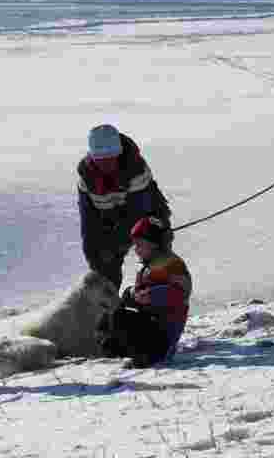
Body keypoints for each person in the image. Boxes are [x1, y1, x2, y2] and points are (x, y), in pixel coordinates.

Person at [76, 124, 171, 289]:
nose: (106, 164)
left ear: (119, 154)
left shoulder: (136, 169)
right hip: (110, 221)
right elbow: (89, 221)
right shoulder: (86, 179)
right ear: (93, 158)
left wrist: (117, 242)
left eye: (110, 158)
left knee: (157, 263)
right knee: (104, 269)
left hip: (149, 217)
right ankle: (109, 310)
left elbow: (138, 214)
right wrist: (94, 256)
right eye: (101, 160)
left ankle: (158, 301)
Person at [99, 215, 192, 369]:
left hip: (163, 338)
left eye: (140, 245)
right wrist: (130, 294)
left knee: (120, 318)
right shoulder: (150, 266)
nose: (135, 250)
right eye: (135, 245)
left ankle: (145, 357)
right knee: (110, 315)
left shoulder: (172, 265)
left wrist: (151, 295)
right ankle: (110, 348)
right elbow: (140, 293)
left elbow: (180, 292)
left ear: (155, 245)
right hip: (151, 328)